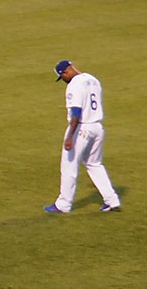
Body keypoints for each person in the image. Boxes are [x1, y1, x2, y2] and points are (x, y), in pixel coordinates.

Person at [45, 59, 121, 214]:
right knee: (94, 164)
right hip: (97, 127)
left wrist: (69, 137)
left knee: (69, 167)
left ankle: (63, 204)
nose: (64, 81)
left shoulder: (74, 84)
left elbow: (76, 112)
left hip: (81, 129)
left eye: (62, 78)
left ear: (65, 72)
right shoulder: (93, 79)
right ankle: (111, 200)